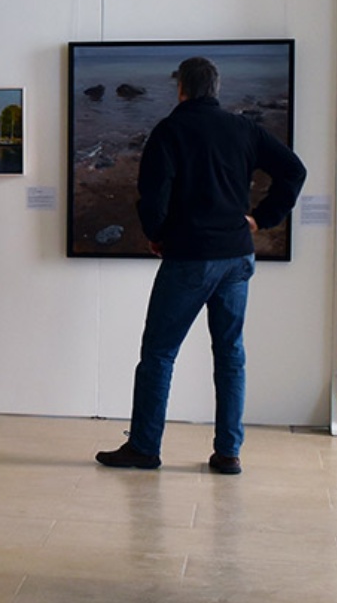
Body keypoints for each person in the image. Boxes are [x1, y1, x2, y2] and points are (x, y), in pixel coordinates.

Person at [95, 55, 306, 476]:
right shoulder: (243, 128)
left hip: (191, 257)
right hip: (237, 257)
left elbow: (152, 195)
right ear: (216, 88)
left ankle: (144, 447)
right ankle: (228, 453)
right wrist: (262, 219)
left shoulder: (170, 131)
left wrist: (156, 234)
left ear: (181, 88)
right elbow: (293, 170)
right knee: (230, 355)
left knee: (159, 353)